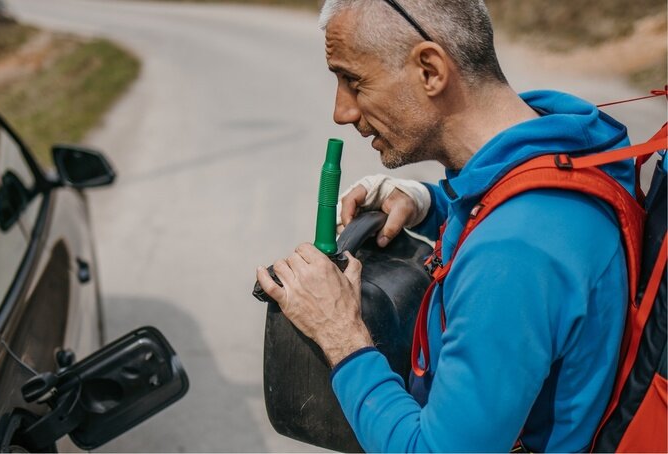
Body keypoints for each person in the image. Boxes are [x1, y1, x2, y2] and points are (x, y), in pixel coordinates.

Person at [255, 0, 634, 451]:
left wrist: (342, 336)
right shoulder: (569, 146)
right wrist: (429, 200)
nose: (342, 111)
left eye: (353, 80)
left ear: (431, 70)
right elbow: (520, 212)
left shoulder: (514, 251)